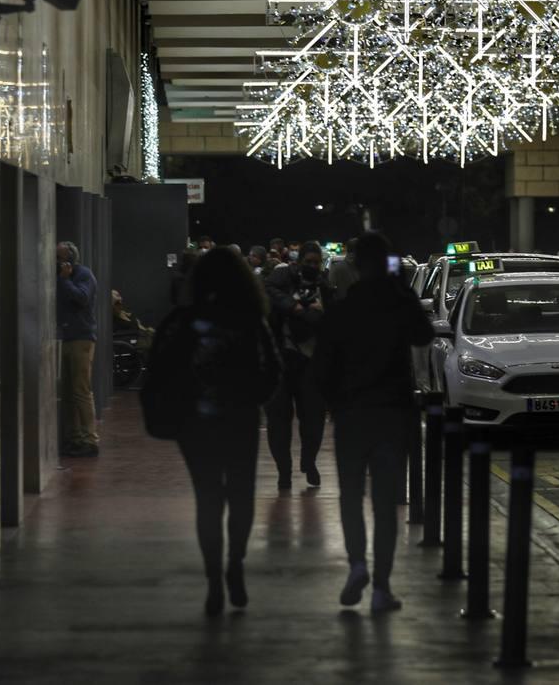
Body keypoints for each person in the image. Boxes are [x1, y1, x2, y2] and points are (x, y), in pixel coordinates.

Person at [154, 248, 281, 616]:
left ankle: (213, 581)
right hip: (239, 418)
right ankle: (235, 564)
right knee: (241, 495)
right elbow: (271, 367)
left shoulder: (182, 319)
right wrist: (252, 398)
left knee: (208, 498)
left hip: (194, 423)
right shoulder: (250, 319)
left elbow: (161, 368)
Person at [312, 232, 433, 612]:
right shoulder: (398, 302)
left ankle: (357, 565)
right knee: (385, 502)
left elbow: (322, 368)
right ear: (386, 263)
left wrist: (336, 402)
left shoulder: (343, 309)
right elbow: (424, 334)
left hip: (351, 416)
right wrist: (404, 292)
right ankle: (381, 586)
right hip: (391, 414)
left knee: (350, 495)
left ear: (355, 265)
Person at [264, 241, 332, 489]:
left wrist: (317, 313)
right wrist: (296, 307)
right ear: (298, 261)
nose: (313, 267)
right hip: (281, 361)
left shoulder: (324, 286)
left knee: (313, 420)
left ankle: (309, 460)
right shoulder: (283, 276)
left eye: (317, 263)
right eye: (309, 262)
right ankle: (284, 471)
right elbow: (269, 288)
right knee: (278, 422)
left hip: (311, 364)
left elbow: (330, 319)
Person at [57, 241, 100, 457]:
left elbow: (82, 298)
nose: (56, 262)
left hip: (81, 338)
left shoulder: (84, 275)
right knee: (67, 392)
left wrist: (65, 281)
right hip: (65, 338)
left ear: (69, 260)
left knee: (81, 391)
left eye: (60, 258)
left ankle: (90, 439)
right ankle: (74, 437)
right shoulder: (62, 278)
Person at [327, 237, 360, 302]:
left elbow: (330, 288)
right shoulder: (364, 267)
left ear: (347, 249)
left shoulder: (336, 267)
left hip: (342, 307)